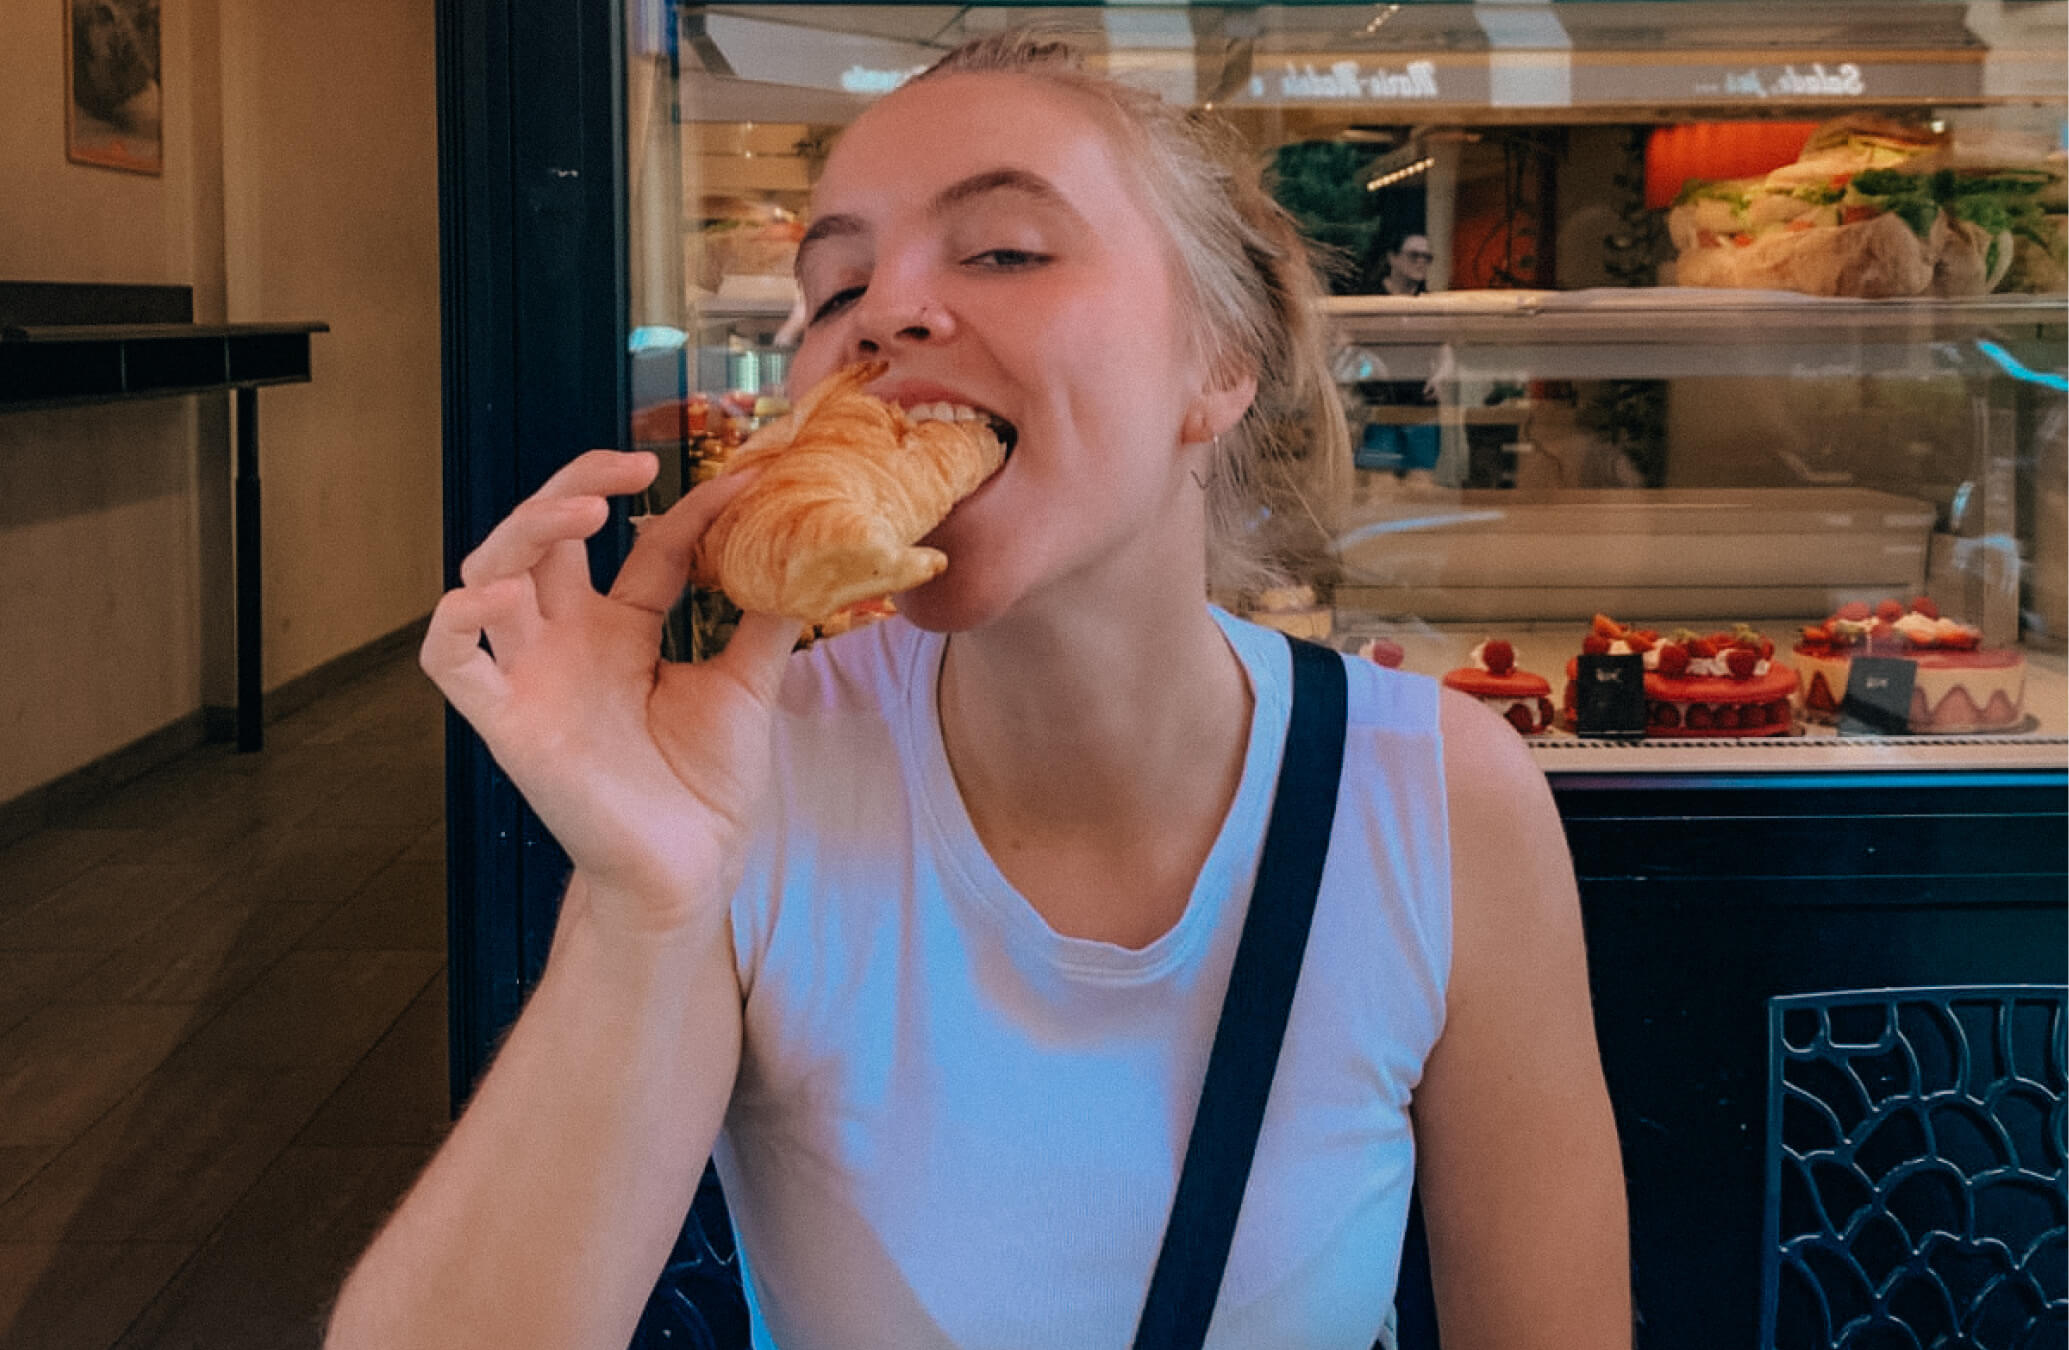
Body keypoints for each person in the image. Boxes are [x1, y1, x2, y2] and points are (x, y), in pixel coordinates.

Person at [326, 32, 1629, 1350]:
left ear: (1218, 363)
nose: (883, 313)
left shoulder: (1437, 799)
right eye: (836, 285)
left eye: (1003, 250)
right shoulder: (751, 786)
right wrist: (643, 904)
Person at [1379, 230, 1435, 296]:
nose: (1421, 262)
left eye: (1427, 257)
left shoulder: (1428, 299)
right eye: (1414, 255)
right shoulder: (1370, 294)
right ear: (1392, 257)